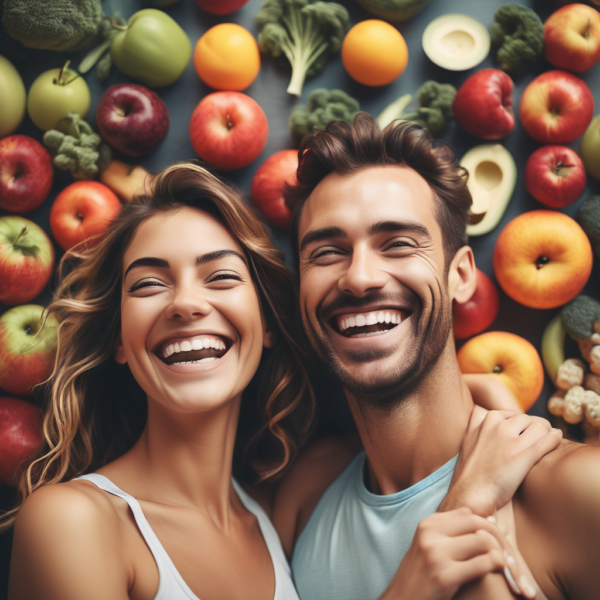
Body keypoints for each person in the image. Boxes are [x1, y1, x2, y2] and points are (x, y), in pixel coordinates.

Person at [5, 162, 554, 600]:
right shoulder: (73, 521)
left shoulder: (279, 513)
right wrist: (426, 564)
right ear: (120, 339)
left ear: (267, 323)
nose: (187, 304)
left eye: (221, 276)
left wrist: (492, 405)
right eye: (149, 285)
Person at [271, 115, 590, 600]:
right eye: (327, 252)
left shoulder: (576, 492)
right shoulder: (303, 494)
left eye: (397, 244)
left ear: (461, 275)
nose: (358, 277)